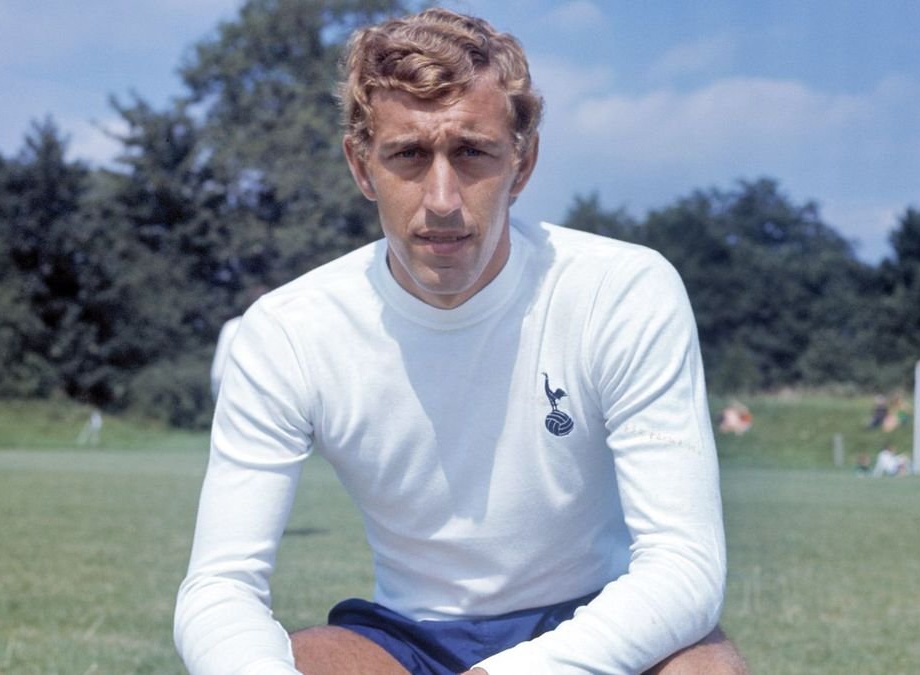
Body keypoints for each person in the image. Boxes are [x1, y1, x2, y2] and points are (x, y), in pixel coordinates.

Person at [174, 8, 747, 675]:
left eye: (472, 152)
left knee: (704, 668)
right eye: (409, 155)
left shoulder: (620, 291)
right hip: (405, 636)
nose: (442, 199)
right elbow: (219, 586)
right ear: (362, 166)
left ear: (522, 163)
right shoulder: (288, 330)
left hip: (590, 615)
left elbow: (685, 567)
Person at [210, 285, 269, 400]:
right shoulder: (277, 331)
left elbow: (217, 374)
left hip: (235, 399)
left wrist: (220, 403)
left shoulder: (232, 327)